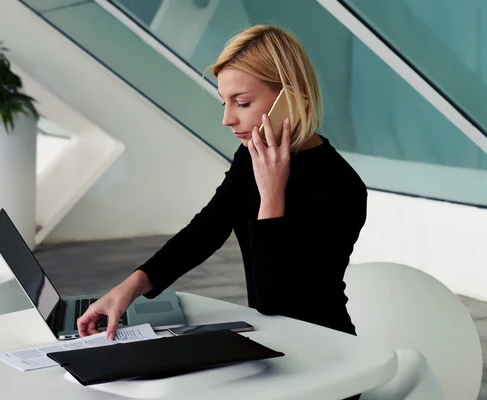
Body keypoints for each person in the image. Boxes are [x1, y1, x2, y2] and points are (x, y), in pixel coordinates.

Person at [78, 24, 366, 400]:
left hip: (327, 363)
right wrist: (130, 287)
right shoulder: (252, 156)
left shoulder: (342, 186)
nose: (227, 119)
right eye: (225, 102)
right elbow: (207, 228)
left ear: (292, 98)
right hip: (276, 349)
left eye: (242, 103)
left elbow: (273, 300)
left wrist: (272, 195)